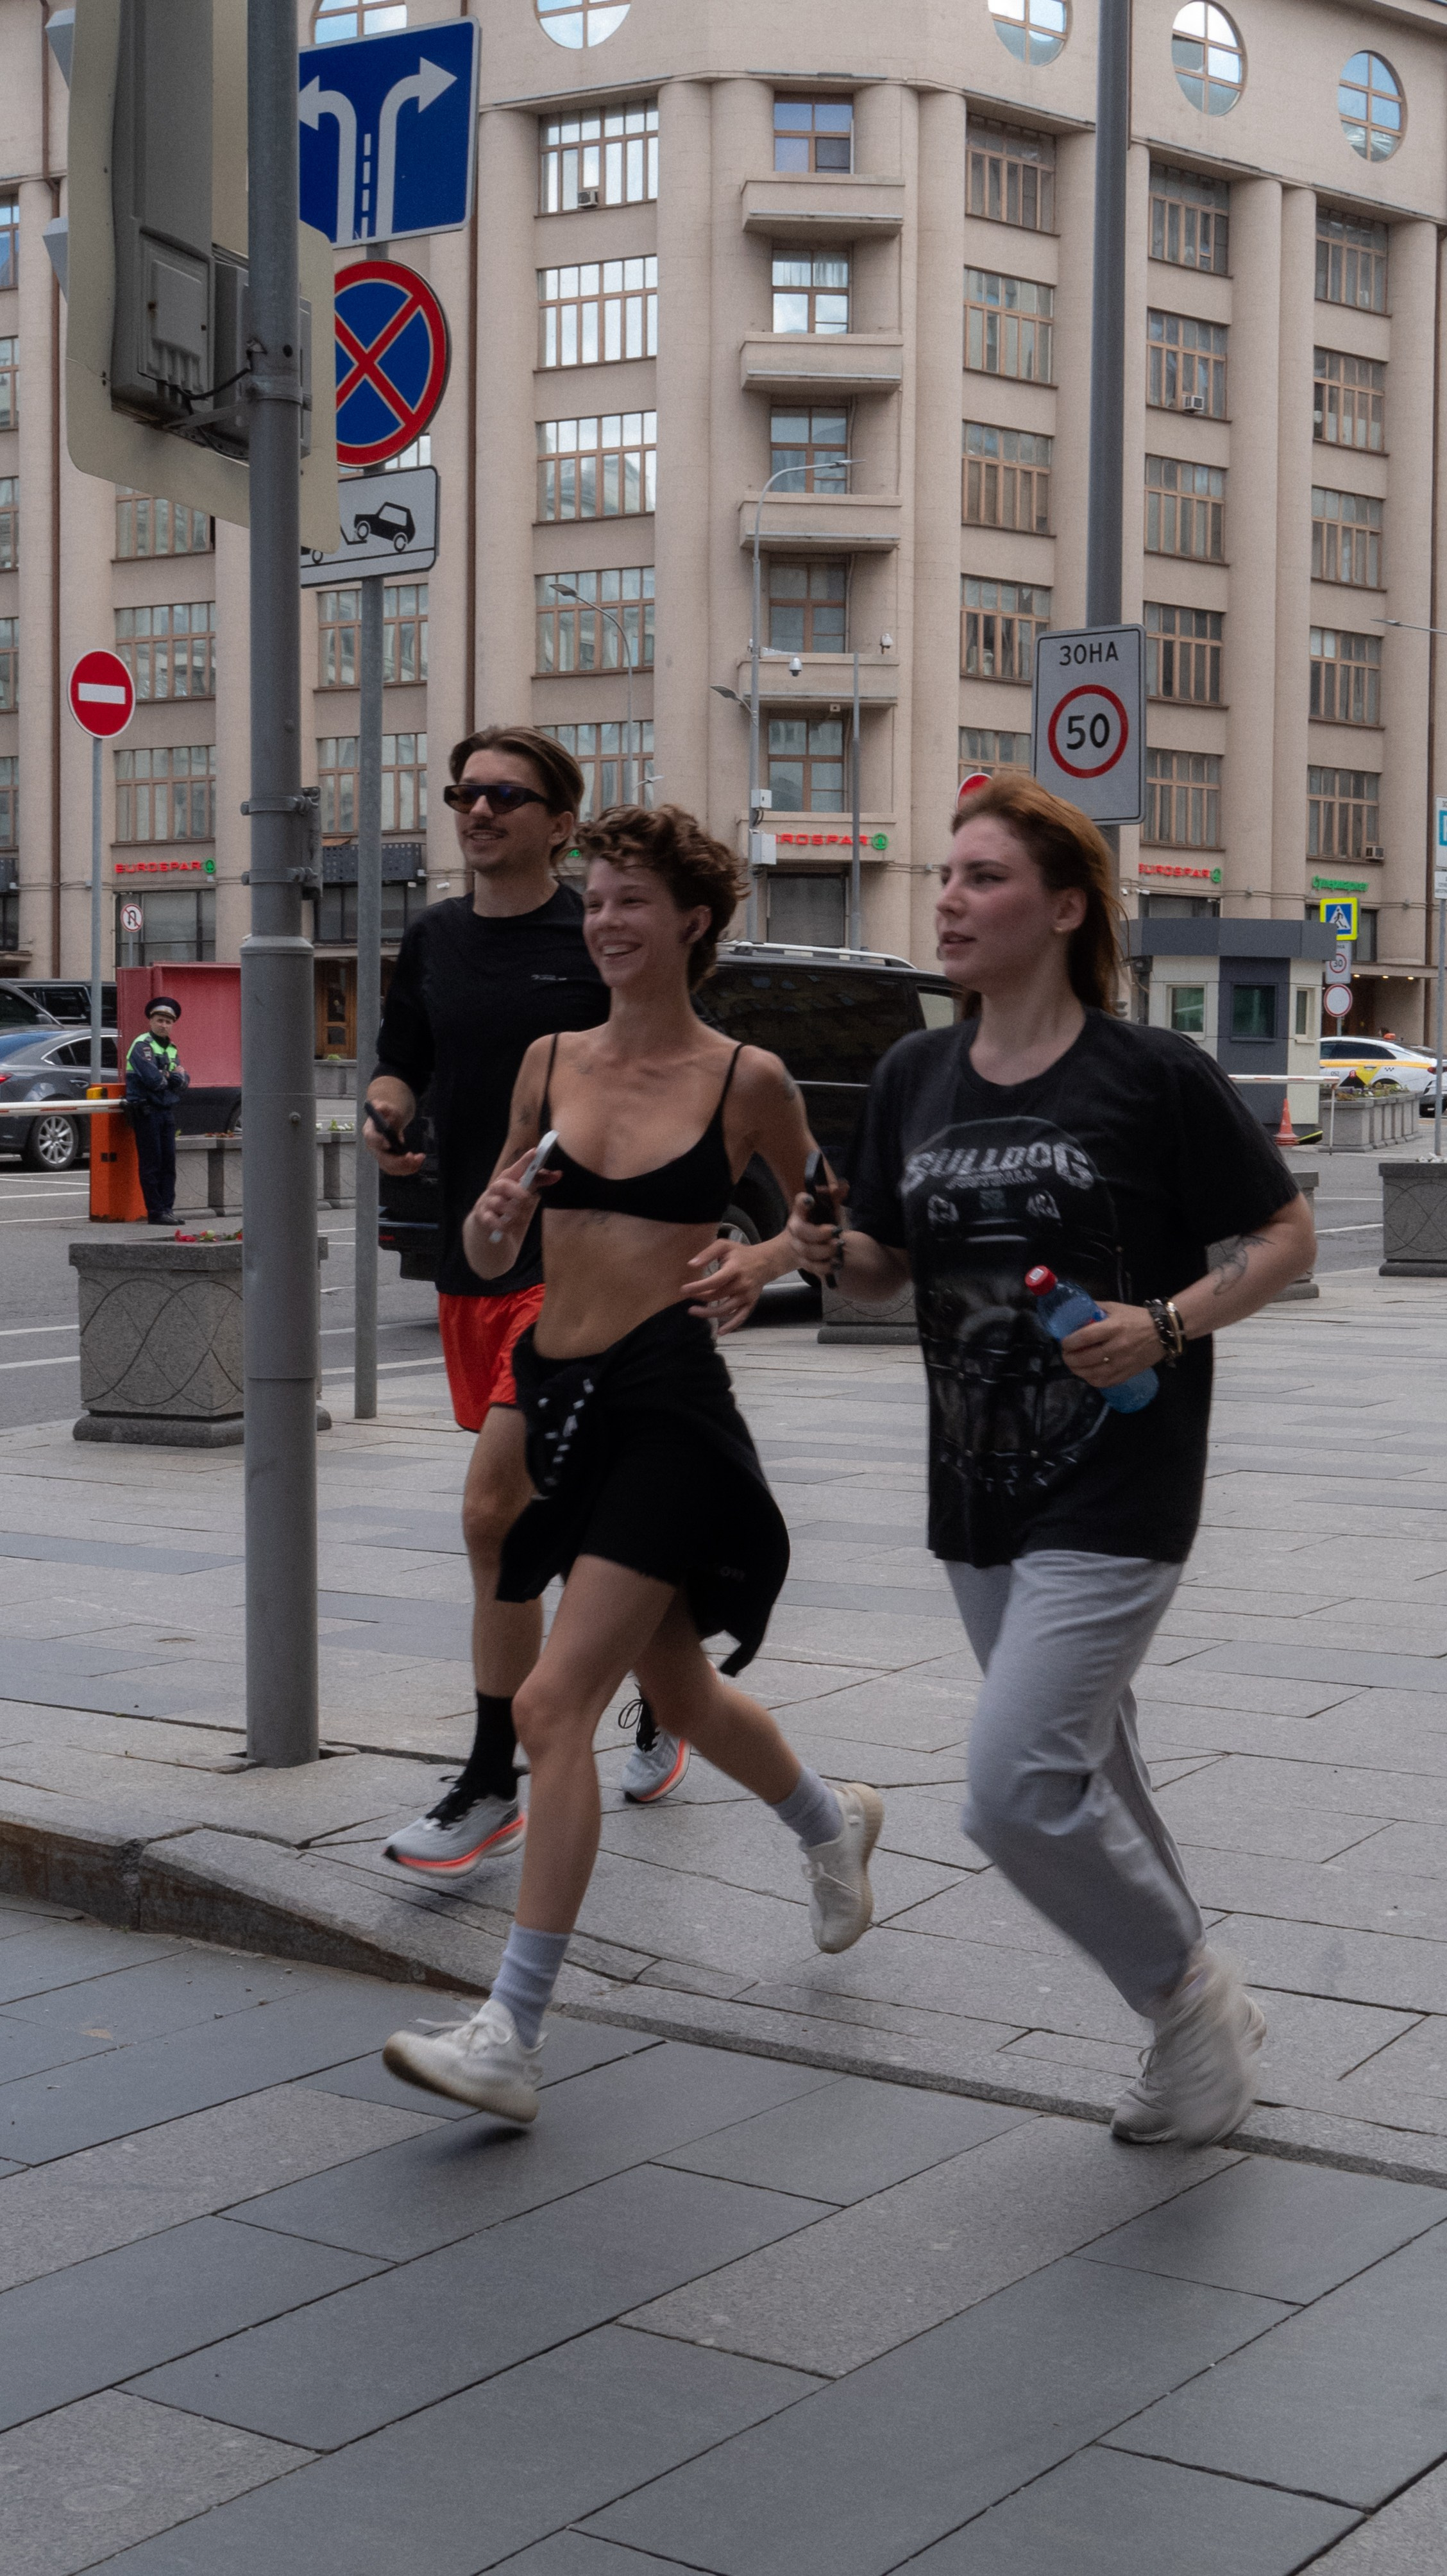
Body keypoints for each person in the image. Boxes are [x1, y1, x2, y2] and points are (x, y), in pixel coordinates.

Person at [789, 772, 1316, 2149]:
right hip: (976, 1483)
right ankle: (1200, 2022)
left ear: (1063, 907)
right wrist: (818, 1252)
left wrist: (1165, 1324)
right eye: (946, 877)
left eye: (983, 878)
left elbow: (1283, 1239)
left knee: (1017, 1784)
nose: (950, 899)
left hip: (1120, 1476)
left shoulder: (1150, 1075)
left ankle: (1186, 1997)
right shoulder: (915, 1073)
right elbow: (880, 1276)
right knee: (1090, 1763)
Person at [383, 804, 881, 2120]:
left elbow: (838, 1223)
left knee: (553, 1707)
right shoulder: (549, 1061)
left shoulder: (745, 1080)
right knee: (685, 1692)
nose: (602, 920)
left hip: (666, 1403)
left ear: (692, 923)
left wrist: (769, 1256)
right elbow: (495, 1248)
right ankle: (833, 1822)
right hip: (555, 1390)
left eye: (630, 902)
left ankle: (513, 2033)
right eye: (595, 898)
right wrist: (493, 1224)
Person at [366, 729, 709, 1881]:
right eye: (463, 793)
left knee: (493, 1515)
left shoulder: (602, 929)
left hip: (585, 1277)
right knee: (571, 1514)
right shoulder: (435, 938)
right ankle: (678, 1691)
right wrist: (386, 1112)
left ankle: (487, 1780)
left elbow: (678, 1055)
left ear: (560, 820)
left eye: (503, 794)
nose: (476, 810)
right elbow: (398, 1056)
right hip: (478, 1253)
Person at [125, 996, 188, 1225]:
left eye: (168, 1022)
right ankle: (156, 1212)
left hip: (165, 1111)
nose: (163, 1025)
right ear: (151, 1021)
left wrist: (172, 1078)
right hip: (147, 1111)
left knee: (168, 1163)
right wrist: (173, 1076)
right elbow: (154, 1081)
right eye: (160, 1020)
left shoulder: (171, 1048)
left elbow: (184, 1081)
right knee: (152, 1163)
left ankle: (167, 1209)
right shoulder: (142, 1045)